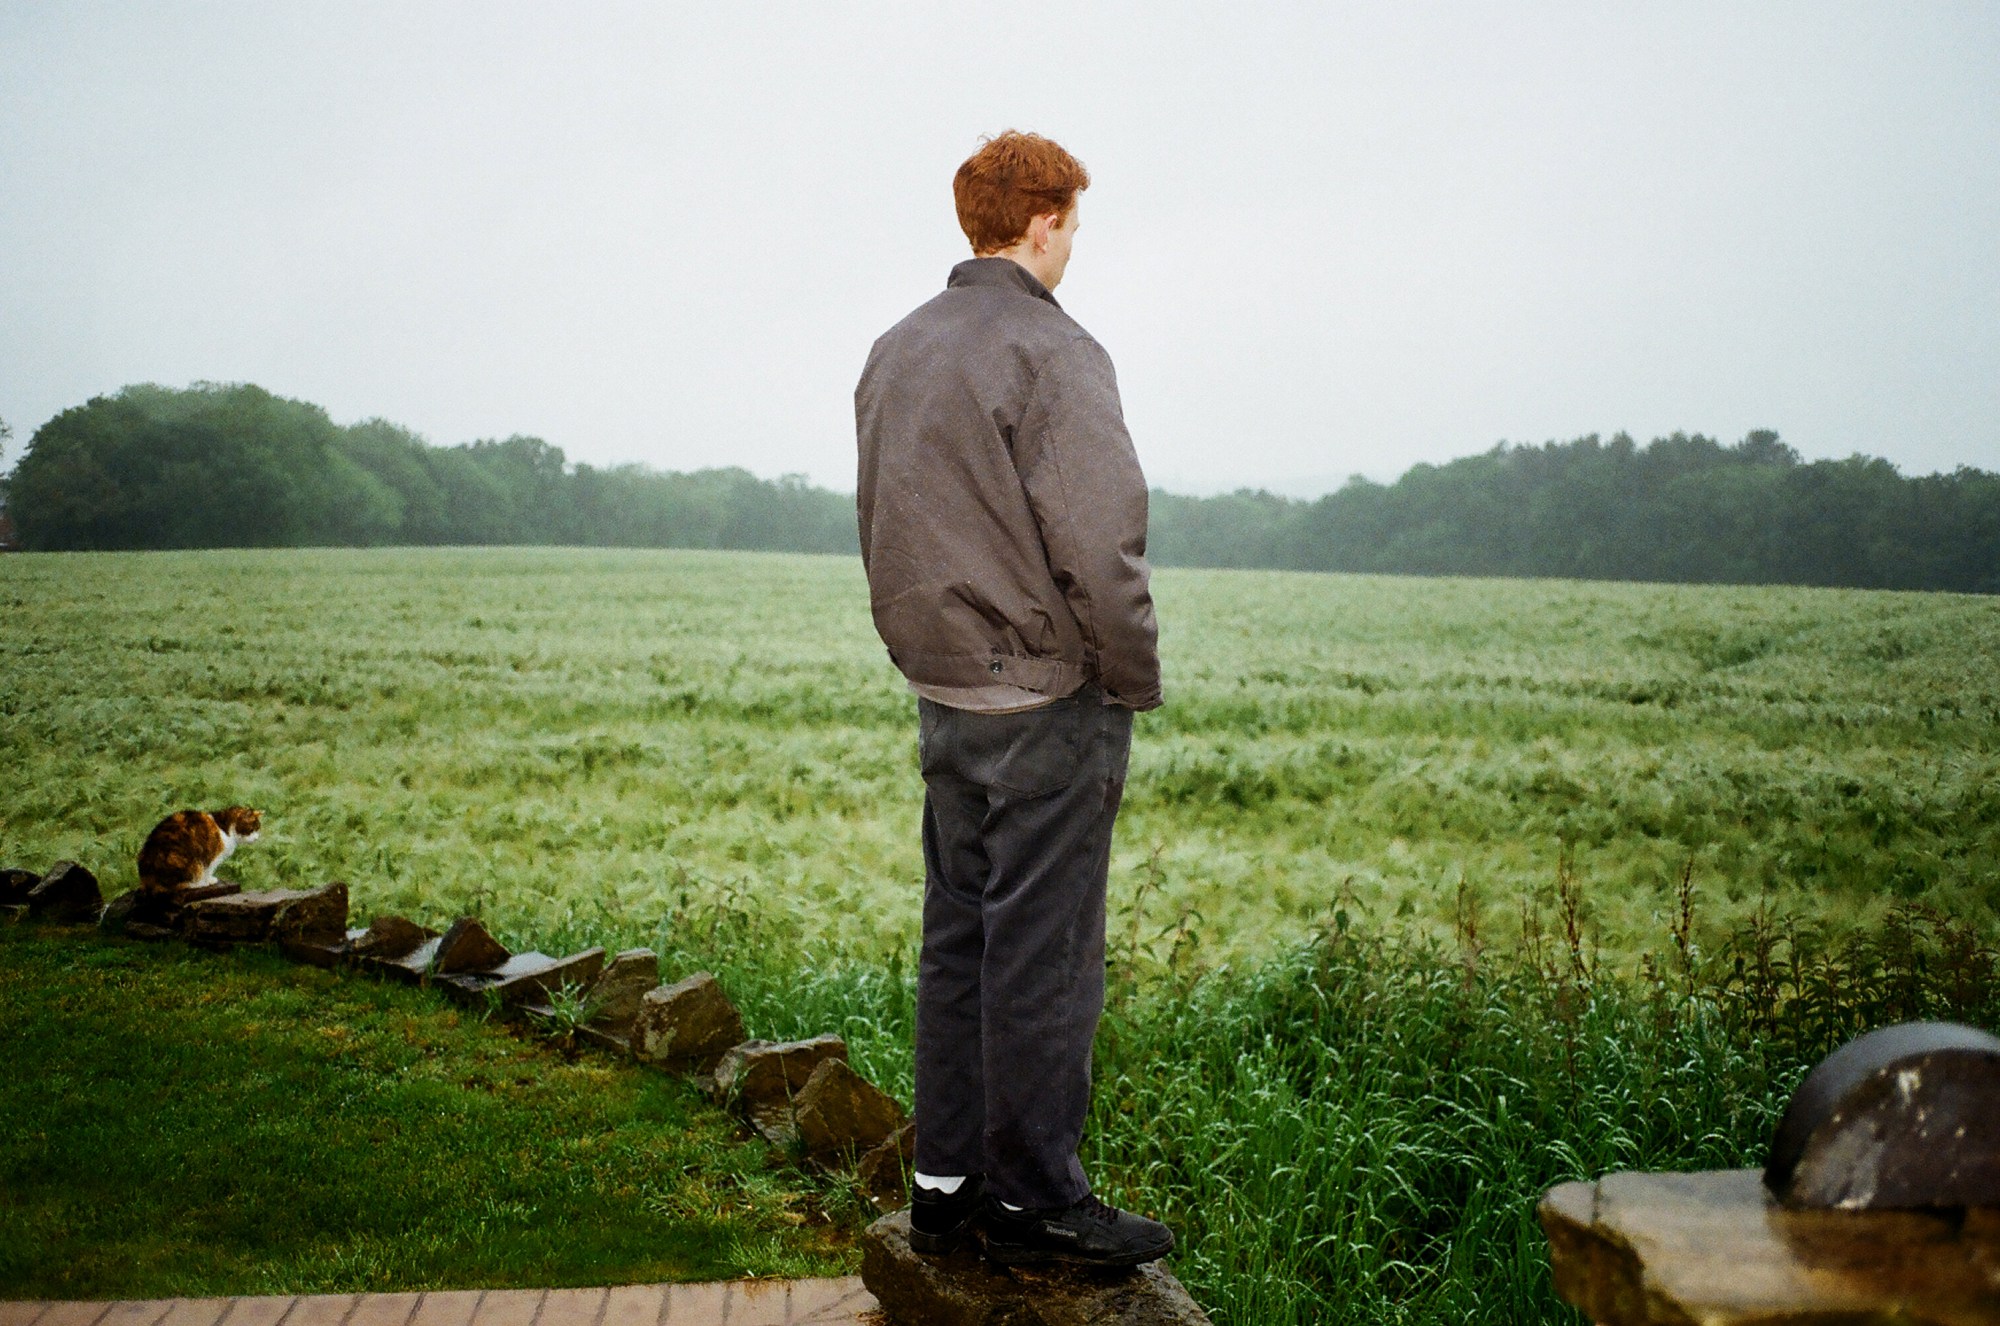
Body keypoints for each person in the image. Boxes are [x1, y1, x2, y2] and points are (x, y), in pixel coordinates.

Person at [853, 130, 1173, 1268]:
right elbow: (1101, 542)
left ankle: (944, 1186)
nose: (1073, 241)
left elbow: (881, 517)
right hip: (1047, 702)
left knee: (960, 938)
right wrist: (1130, 676)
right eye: (1073, 221)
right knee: (1042, 954)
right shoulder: (1054, 350)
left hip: (943, 694)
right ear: (1042, 222)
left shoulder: (897, 348)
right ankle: (1037, 1201)